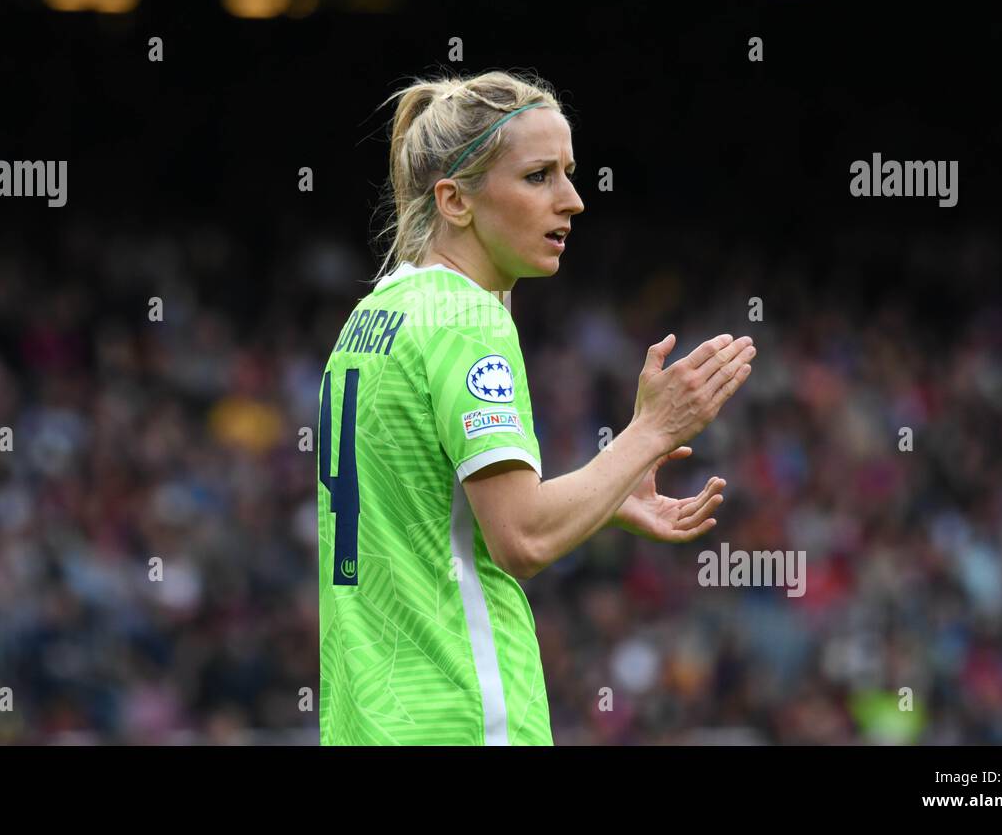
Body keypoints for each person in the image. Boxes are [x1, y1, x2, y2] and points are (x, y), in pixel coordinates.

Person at [317, 69, 756, 745]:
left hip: (365, 722)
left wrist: (608, 493)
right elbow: (520, 539)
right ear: (455, 201)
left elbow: (451, 520)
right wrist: (651, 432)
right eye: (538, 176)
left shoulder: (373, 317)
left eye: (570, 173)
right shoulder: (468, 322)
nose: (573, 200)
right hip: (459, 716)